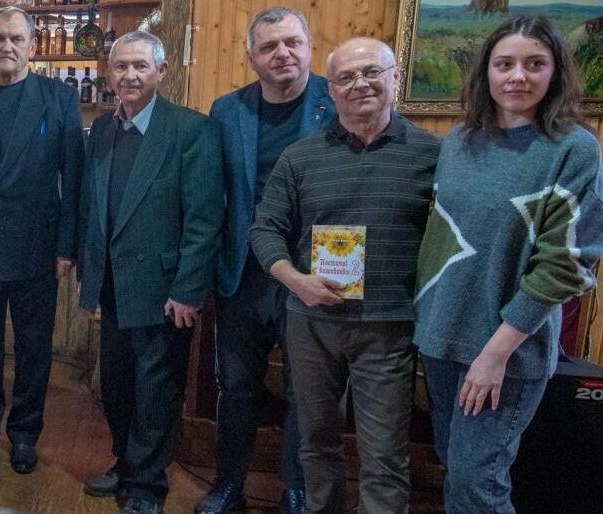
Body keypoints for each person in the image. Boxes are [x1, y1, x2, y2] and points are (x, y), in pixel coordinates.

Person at [415, 16, 603, 513]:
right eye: (505, 64)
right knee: (455, 466)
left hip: (506, 349)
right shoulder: (460, 141)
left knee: (477, 484)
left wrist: (495, 355)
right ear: (486, 72)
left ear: (555, 72)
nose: (518, 76)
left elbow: (567, 264)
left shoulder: (573, 149)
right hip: (442, 336)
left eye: (534, 64)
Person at [249, 37, 440, 514]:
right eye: (346, 77)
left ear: (396, 78)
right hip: (311, 324)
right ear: (331, 90)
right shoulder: (300, 157)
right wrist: (296, 280)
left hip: (388, 328)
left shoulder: (433, 155)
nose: (360, 84)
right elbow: (265, 229)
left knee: (384, 455)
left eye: (372, 72)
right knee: (315, 444)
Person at [75, 31, 224, 514]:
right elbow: (93, 206)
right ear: (108, 74)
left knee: (156, 390)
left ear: (162, 70)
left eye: (140, 65)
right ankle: (125, 462)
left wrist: (188, 289)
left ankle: (146, 485)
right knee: (116, 384)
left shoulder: (190, 129)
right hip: (112, 283)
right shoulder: (102, 130)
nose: (130, 75)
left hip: (164, 289)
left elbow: (204, 218)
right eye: (121, 66)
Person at [202, 7, 333, 513]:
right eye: (269, 46)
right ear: (251, 56)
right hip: (243, 274)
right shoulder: (226, 111)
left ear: (309, 46)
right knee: (235, 385)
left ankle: (296, 491)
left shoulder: (336, 101)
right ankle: (228, 485)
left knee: (306, 391)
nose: (283, 53)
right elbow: (212, 195)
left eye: (292, 42)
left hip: (312, 276)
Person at [0, 6, 84, 474]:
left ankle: (23, 433)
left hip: (37, 244)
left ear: (33, 47)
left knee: (34, 346)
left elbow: (73, 178)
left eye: (16, 38)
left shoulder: (60, 99)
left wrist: (66, 246)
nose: (7, 46)